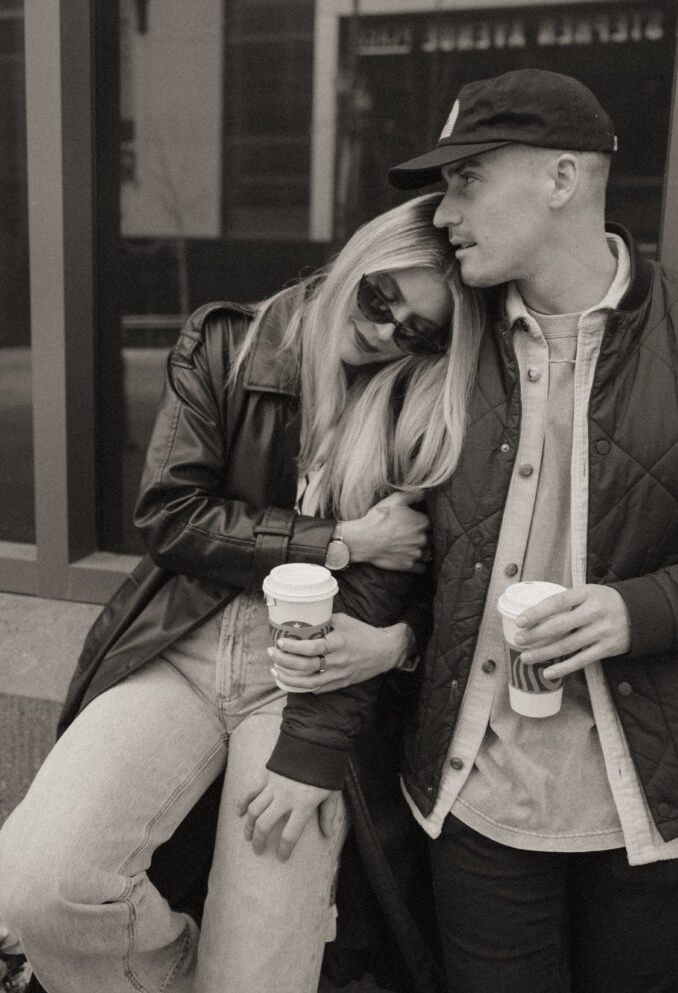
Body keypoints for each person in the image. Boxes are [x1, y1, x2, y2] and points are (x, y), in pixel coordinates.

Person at [0, 193, 483, 993]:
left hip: (308, 685)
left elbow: (438, 583)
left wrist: (391, 650)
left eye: (419, 330)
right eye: (379, 297)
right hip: (183, 646)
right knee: (36, 886)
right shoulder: (230, 341)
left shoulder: (427, 401)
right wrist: (339, 540)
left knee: (258, 975)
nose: (387, 329)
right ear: (355, 264)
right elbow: (170, 516)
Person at [274, 68, 678, 993]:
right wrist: (306, 750)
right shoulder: (436, 356)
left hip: (652, 811)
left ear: (561, 179)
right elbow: (392, 569)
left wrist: (645, 608)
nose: (443, 209)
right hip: (473, 804)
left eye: (467, 180)